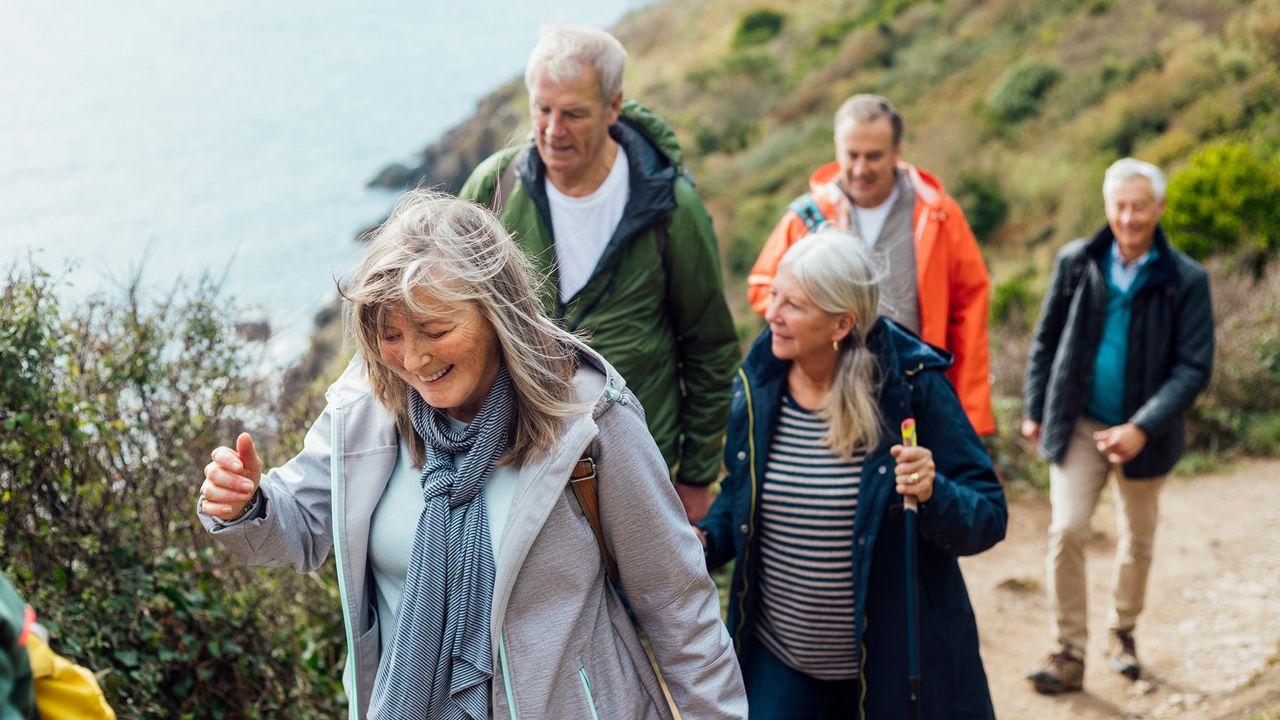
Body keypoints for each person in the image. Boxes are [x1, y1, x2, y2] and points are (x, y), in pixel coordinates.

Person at [197, 191, 747, 720]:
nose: (412, 359)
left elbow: (678, 607)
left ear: (497, 313)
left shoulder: (589, 419)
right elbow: (299, 528)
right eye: (390, 336)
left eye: (436, 330)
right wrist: (247, 504)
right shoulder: (365, 409)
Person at [698, 231, 1007, 719]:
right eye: (773, 295)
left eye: (792, 304)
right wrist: (706, 540)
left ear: (842, 322)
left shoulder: (912, 387)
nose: (771, 313)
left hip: (889, 667)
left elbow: (988, 514)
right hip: (781, 659)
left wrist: (933, 492)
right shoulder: (760, 380)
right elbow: (741, 493)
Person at [458, 25, 739, 524]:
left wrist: (696, 478)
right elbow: (447, 310)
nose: (552, 129)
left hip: (635, 469)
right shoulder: (494, 187)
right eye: (542, 109)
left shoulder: (671, 207)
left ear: (613, 108)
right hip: (519, 466)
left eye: (574, 113)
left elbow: (709, 347)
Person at [1022, 158, 1214, 693]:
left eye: (1139, 206)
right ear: (1107, 206)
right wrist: (1036, 407)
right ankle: (1069, 651)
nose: (1128, 218)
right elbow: (1046, 339)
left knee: (1138, 538)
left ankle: (1122, 632)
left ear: (1159, 208)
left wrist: (1143, 426)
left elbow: (1194, 366)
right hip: (1078, 422)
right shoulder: (1077, 260)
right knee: (1066, 530)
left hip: (1145, 435)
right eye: (1119, 206)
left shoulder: (1186, 279)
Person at [746, 94, 995, 436]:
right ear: (837, 151)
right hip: (826, 397)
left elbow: (970, 312)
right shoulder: (806, 217)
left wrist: (972, 411)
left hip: (914, 392)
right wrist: (816, 316)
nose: (861, 169)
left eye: (874, 156)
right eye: (852, 155)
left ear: (897, 151)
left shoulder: (939, 214)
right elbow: (762, 286)